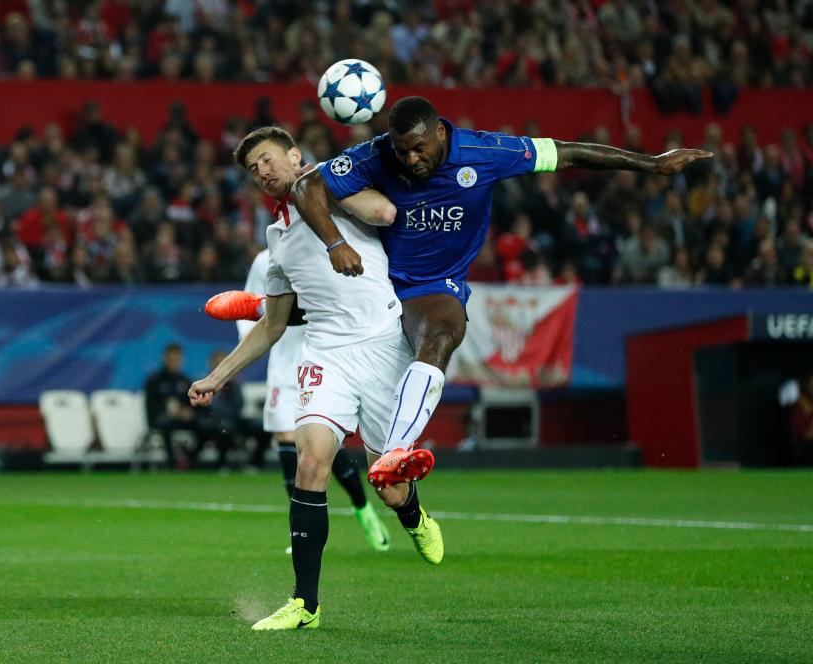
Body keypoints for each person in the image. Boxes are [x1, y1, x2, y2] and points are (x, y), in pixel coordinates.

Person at [292, 95, 712, 484]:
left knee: (441, 336)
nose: (411, 159)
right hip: (370, 282)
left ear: (440, 131)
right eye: (403, 151)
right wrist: (335, 243)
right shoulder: (377, 154)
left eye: (419, 148)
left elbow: (567, 153)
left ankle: (396, 453)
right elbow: (307, 184)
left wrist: (651, 164)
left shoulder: (484, 152)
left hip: (430, 286)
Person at [189, 126, 441, 631]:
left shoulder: (333, 187)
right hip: (325, 354)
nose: (262, 171)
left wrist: (331, 191)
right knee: (310, 463)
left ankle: (412, 515)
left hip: (383, 348)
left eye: (267, 159)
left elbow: (385, 213)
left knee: (388, 486)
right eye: (253, 168)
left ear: (294, 156)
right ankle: (306, 605)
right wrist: (217, 377)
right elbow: (273, 325)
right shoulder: (275, 239)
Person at [230, 249, 391, 553]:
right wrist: (251, 334)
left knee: (323, 447)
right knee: (287, 439)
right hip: (283, 363)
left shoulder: (334, 251)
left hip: (322, 359)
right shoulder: (266, 260)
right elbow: (250, 305)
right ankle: (301, 529)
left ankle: (363, 508)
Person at [143, 344, 196, 469]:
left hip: (181, 419)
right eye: (171, 358)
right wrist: (167, 411)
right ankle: (172, 463)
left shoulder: (185, 380)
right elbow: (151, 406)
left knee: (203, 423)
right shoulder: (154, 380)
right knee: (166, 424)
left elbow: (191, 403)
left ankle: (192, 459)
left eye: (177, 358)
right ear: (165, 358)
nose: (174, 362)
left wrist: (188, 412)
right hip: (161, 419)